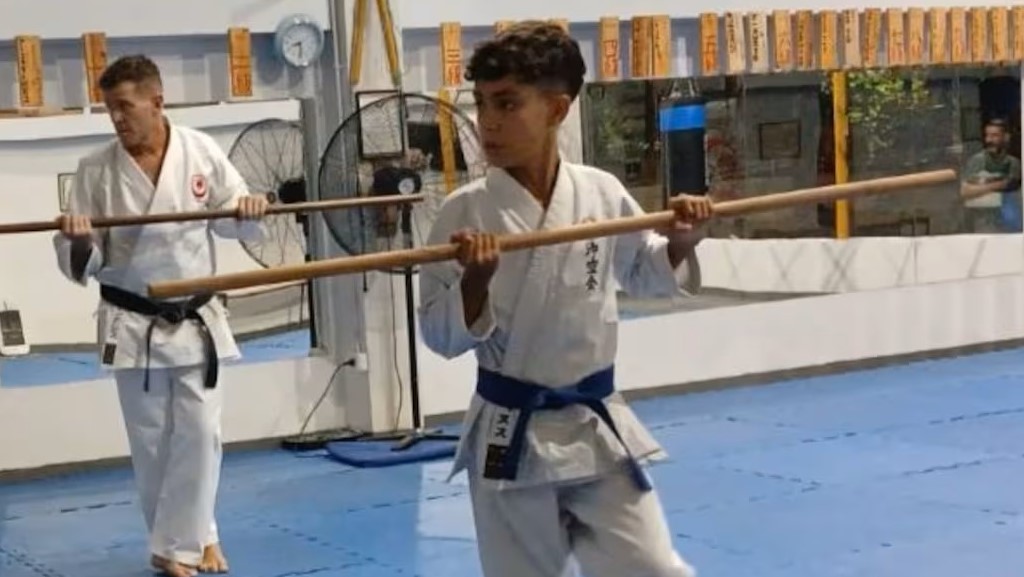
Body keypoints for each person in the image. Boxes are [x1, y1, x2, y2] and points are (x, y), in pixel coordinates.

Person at [418, 21, 711, 577]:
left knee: (652, 568)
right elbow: (436, 335)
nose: (488, 124)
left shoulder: (599, 192)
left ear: (557, 108)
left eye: (507, 104)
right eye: (481, 105)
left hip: (595, 425)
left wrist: (680, 242)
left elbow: (645, 273)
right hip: (510, 431)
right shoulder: (462, 213)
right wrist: (474, 282)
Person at [53, 55, 268, 577]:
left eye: (125, 107)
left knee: (201, 435)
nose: (117, 119)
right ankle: (190, 543)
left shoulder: (200, 150)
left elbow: (233, 217)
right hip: (133, 323)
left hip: (195, 317)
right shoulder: (94, 170)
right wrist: (80, 239)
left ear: (157, 101)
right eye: (110, 110)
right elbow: (85, 262)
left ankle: (180, 544)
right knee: (153, 441)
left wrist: (247, 209)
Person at [960, 117, 1022, 233]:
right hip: (984, 220)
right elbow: (965, 191)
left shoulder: (1013, 163)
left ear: (1006, 137)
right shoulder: (978, 161)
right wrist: (999, 185)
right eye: (987, 136)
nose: (989, 140)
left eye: (995, 136)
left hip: (1009, 222)